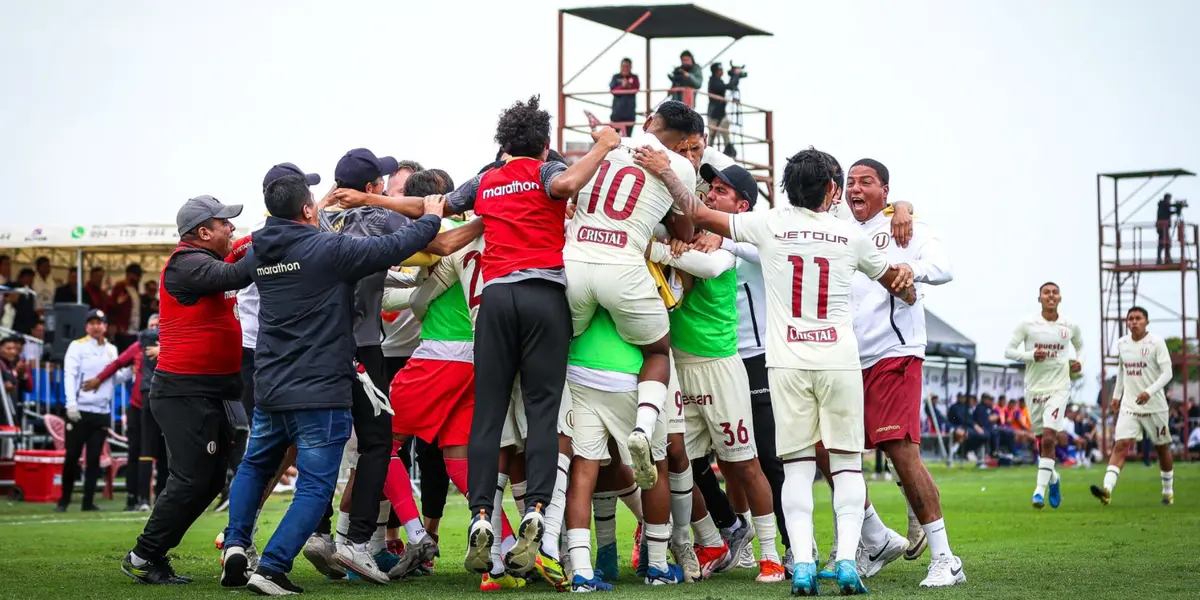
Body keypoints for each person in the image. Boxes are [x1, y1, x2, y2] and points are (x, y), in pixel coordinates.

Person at [333, 96, 624, 581]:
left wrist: (371, 199)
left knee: (486, 414)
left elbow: (433, 209)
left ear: (502, 144)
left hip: (495, 303)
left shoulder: (486, 181)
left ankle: (481, 516)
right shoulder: (546, 170)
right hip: (542, 296)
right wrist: (606, 144)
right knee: (542, 410)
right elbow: (570, 182)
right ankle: (533, 510)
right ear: (544, 142)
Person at [639, 145, 915, 596]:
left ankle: (802, 564)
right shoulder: (851, 235)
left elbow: (695, 211)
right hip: (839, 361)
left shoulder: (770, 225)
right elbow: (897, 285)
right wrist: (906, 285)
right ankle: (847, 560)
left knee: (798, 466)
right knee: (846, 467)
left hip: (786, 361)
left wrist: (667, 170)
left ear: (786, 188)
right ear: (832, 190)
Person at [218, 174, 441, 595]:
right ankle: (272, 566)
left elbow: (225, 276)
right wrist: (430, 217)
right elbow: (391, 247)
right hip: (319, 386)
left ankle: (235, 544)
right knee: (316, 484)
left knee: (254, 465)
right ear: (307, 209)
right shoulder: (328, 247)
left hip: (270, 383)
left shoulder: (261, 247)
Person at [643, 164, 784, 583]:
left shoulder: (725, 246)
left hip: (720, 368)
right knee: (675, 458)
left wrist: (649, 249)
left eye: (720, 191)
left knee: (744, 464)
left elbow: (706, 268)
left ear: (741, 205)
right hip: (678, 368)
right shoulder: (690, 238)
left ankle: (771, 555)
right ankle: (711, 540)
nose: (709, 195)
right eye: (709, 189)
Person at [565, 100, 702, 494]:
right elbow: (685, 227)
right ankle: (642, 427)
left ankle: (557, 430)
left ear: (647, 122)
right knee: (658, 352)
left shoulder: (606, 145)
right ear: (686, 143)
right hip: (624, 269)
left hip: (575, 262)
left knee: (559, 344)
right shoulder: (678, 166)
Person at [122, 195, 253, 585]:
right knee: (191, 479)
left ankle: (151, 554)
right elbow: (236, 275)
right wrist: (272, 243)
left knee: (210, 480)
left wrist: (266, 236)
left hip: (207, 391)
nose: (231, 228)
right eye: (224, 222)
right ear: (203, 232)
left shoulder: (206, 261)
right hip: (184, 391)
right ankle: (143, 556)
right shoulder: (187, 263)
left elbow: (236, 260)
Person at [563, 308, 676, 590]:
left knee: (583, 467)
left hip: (579, 367)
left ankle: (582, 572)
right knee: (656, 465)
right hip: (629, 371)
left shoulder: (576, 262)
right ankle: (658, 568)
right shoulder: (635, 262)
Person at [1005, 282, 1083, 509]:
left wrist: (1080, 362)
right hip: (1034, 388)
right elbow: (1008, 350)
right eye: (1046, 293)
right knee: (1041, 442)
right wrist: (1031, 355)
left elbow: (1081, 346)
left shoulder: (1069, 325)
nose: (1051, 296)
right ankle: (1054, 479)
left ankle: (1038, 492)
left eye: (1055, 292)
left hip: (1059, 387)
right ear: (1039, 298)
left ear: (1060, 298)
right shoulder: (1027, 324)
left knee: (1050, 437)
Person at [1091, 306, 1175, 506]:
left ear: (1146, 321)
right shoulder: (1122, 343)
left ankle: (1168, 492)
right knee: (1120, 445)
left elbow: (1167, 373)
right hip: (1130, 405)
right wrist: (1116, 396)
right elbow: (1122, 371)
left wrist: (1149, 392)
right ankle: (1107, 490)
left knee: (1162, 448)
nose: (1134, 322)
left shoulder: (1156, 342)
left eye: (1138, 318)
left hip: (1155, 405)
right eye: (1130, 319)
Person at [83, 315, 161, 511]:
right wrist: (99, 379)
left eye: (157, 326)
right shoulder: (138, 346)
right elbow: (117, 363)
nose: (154, 330)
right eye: (151, 325)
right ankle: (134, 498)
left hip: (163, 405)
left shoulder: (172, 345)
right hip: (138, 406)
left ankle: (161, 497)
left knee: (162, 452)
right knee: (136, 451)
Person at [58, 308, 126, 512]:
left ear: (106, 326)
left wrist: (132, 370)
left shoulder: (111, 349)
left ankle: (88, 502)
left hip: (101, 411)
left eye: (100, 323)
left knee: (95, 459)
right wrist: (71, 403)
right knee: (72, 457)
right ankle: (64, 500)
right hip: (80, 409)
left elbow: (114, 378)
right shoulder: (76, 346)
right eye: (92, 323)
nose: (96, 326)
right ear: (87, 326)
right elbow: (70, 375)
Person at [108, 264, 143, 351]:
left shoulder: (135, 288)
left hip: (135, 329)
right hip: (124, 329)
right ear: (129, 274)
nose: (139, 278)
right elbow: (110, 307)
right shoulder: (120, 287)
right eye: (137, 275)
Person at [610, 58, 640, 136]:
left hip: (629, 114)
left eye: (627, 66)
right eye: (623, 66)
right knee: (613, 137)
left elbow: (636, 88)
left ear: (630, 67)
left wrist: (628, 86)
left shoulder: (634, 77)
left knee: (628, 139)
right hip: (617, 114)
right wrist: (622, 86)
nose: (625, 68)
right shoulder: (616, 77)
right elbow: (613, 90)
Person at [1156, 193, 1173, 264]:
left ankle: (1166, 258)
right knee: (1164, 243)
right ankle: (1163, 258)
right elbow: (1166, 213)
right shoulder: (1163, 205)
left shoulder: (1163, 205)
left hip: (1163, 226)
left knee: (1166, 243)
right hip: (1162, 226)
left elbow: (1167, 213)